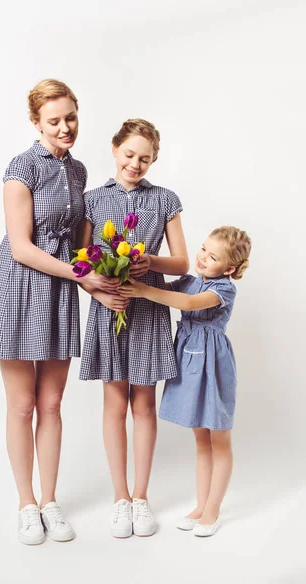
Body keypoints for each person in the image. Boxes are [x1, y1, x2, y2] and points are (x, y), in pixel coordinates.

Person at [0, 79, 100, 545]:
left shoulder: (80, 170)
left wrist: (100, 272)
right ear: (36, 123)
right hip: (17, 288)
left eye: (71, 117)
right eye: (54, 121)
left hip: (60, 290)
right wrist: (79, 274)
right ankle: (26, 504)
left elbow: (81, 243)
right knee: (23, 404)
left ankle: (51, 501)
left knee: (52, 403)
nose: (65, 127)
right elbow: (21, 247)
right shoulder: (21, 167)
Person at [79, 119, 189, 538]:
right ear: (114, 149)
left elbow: (180, 261)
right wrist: (101, 290)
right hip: (110, 305)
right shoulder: (92, 200)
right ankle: (119, 498)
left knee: (143, 404)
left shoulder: (165, 199)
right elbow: (82, 260)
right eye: (129, 155)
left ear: (154, 159)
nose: (135, 163)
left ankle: (141, 497)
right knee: (114, 403)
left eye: (144, 158)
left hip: (148, 305)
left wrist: (148, 261)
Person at [119, 226, 251, 537]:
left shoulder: (224, 289)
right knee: (200, 440)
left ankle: (214, 509)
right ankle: (201, 505)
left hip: (213, 365)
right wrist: (130, 273)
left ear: (230, 268)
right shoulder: (190, 281)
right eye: (203, 249)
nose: (203, 257)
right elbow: (167, 288)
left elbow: (188, 304)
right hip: (190, 363)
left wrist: (144, 291)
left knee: (219, 439)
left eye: (213, 256)